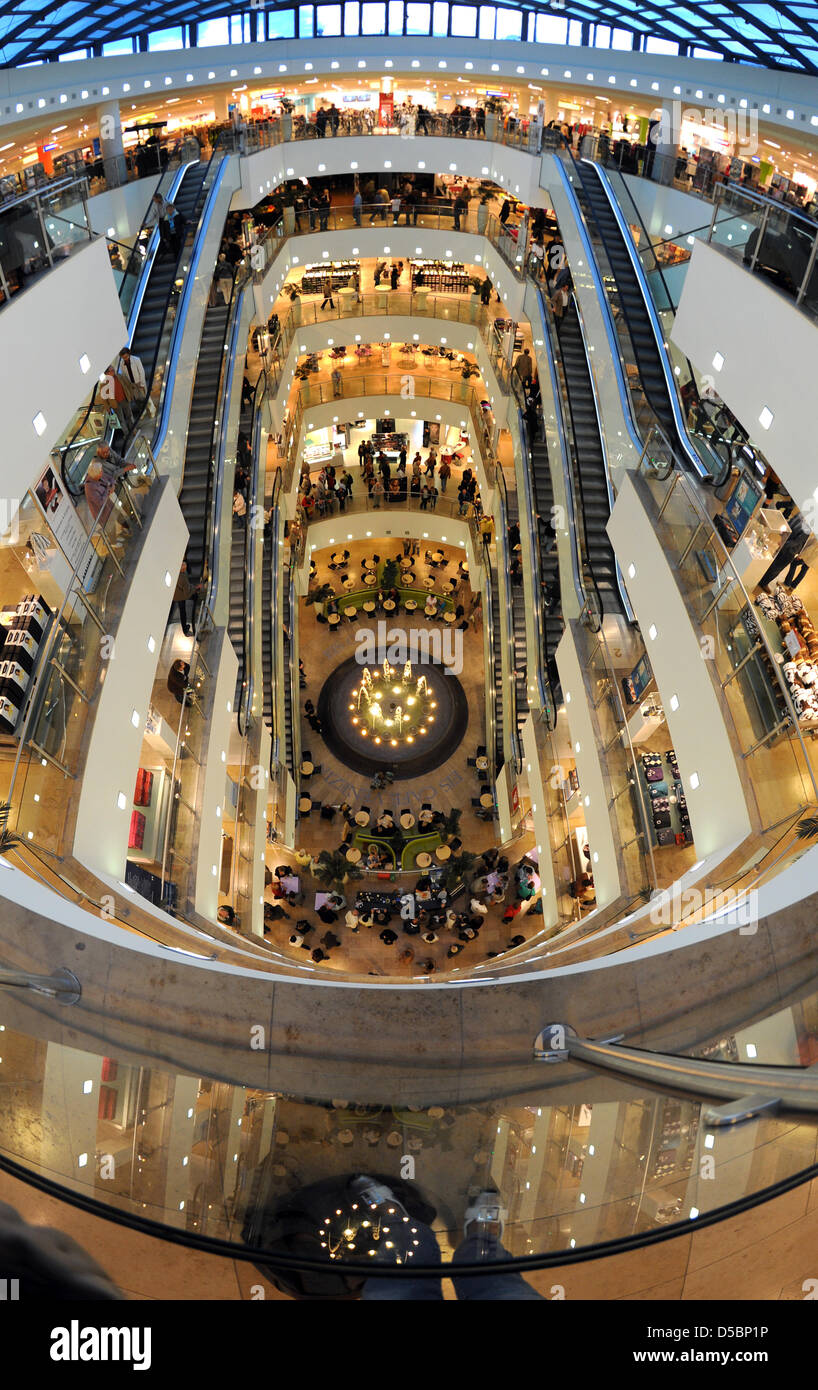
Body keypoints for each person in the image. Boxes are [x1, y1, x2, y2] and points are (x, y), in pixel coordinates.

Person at [172, 560, 201, 637]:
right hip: (181, 596)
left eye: (185, 565)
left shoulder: (176, 572)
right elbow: (187, 593)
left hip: (176, 595)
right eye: (184, 566)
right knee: (194, 596)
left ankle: (185, 629)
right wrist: (195, 588)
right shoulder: (182, 578)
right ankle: (196, 612)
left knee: (182, 611)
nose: (185, 567)